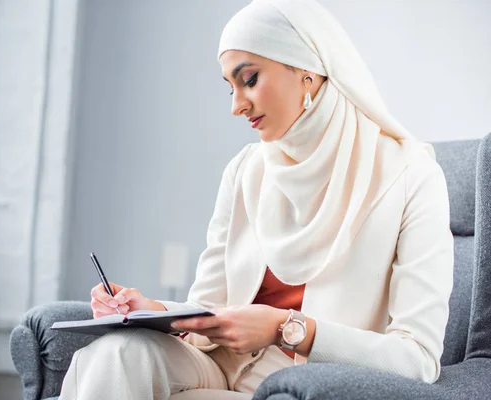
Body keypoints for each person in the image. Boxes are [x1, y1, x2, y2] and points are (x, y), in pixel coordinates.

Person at [59, 0, 454, 398]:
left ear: (307, 72)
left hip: (306, 384)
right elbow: (208, 305)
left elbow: (418, 359)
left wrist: (285, 328)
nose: (236, 105)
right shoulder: (247, 170)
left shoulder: (410, 177)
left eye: (249, 80)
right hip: (217, 367)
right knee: (119, 353)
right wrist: (152, 311)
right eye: (230, 88)